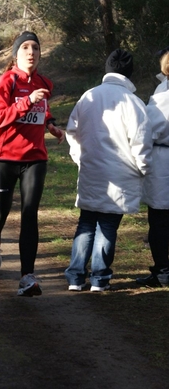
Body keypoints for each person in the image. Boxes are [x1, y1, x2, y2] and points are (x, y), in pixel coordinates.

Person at [64, 49, 153, 292]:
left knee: (86, 223)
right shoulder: (133, 102)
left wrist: (79, 158)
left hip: (91, 170)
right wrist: (144, 168)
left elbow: (72, 131)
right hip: (120, 175)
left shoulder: (89, 96)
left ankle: (75, 277)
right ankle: (99, 278)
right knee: (108, 226)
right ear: (129, 73)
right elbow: (141, 141)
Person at [0, 31, 65, 297]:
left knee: (30, 214)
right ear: (16, 54)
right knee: (0, 215)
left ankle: (27, 277)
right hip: (4, 159)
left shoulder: (44, 82)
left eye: (36, 48)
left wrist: (51, 124)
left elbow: (43, 108)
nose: (32, 52)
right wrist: (25, 103)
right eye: (26, 48)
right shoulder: (5, 82)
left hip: (34, 158)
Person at [136, 49, 169, 288]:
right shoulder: (162, 89)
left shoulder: (164, 93)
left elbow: (151, 126)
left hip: (163, 158)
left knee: (159, 218)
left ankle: (162, 270)